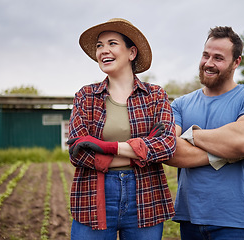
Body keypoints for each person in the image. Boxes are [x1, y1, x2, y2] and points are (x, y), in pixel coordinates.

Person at [67, 18, 176, 240]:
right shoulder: (86, 96)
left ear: (131, 53)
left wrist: (106, 147)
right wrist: (141, 154)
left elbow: (166, 146)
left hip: (145, 197)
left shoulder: (155, 95)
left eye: (112, 43)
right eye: (99, 45)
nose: (103, 50)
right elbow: (78, 151)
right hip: (93, 197)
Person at [165, 26, 244, 239]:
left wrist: (190, 135)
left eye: (218, 58)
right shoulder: (180, 104)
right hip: (190, 220)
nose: (209, 63)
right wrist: (229, 152)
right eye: (205, 55)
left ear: (236, 62)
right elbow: (169, 150)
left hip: (237, 222)